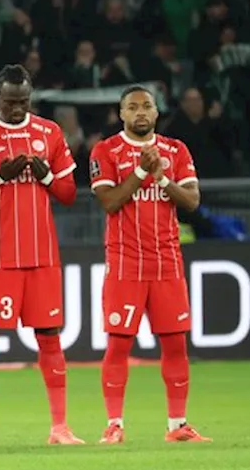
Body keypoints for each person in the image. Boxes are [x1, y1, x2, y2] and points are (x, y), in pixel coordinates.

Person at [0, 65, 83, 446]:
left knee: (49, 337)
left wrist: (46, 176)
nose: (17, 109)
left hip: (42, 254)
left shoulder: (50, 132)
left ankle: (59, 428)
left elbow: (69, 194)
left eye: (23, 101)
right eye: (10, 102)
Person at [89, 86, 210, 444]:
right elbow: (109, 201)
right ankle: (114, 425)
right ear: (121, 114)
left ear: (156, 113)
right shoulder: (105, 150)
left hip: (167, 262)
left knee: (175, 344)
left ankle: (178, 425)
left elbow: (191, 201)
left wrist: (160, 177)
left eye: (147, 106)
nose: (140, 112)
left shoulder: (176, 150)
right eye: (132, 107)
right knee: (119, 344)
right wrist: (142, 173)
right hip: (125, 262)